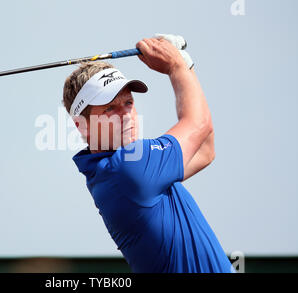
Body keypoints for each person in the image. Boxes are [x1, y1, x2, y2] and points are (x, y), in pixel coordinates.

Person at [61, 37, 234, 273]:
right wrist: (176, 66)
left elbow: (205, 149)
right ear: (82, 125)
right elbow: (198, 123)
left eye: (129, 102)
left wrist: (185, 64)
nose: (125, 114)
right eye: (109, 108)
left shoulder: (112, 170)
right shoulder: (129, 167)